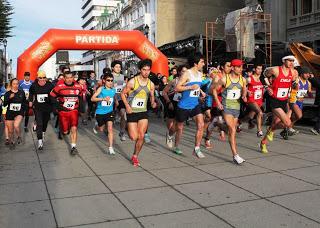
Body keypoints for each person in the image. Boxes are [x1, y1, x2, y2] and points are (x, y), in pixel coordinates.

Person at [167, 53, 206, 158]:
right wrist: (190, 88)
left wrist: (201, 92)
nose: (204, 64)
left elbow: (197, 86)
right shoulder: (187, 74)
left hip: (195, 105)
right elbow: (177, 88)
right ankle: (171, 137)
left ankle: (196, 148)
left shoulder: (200, 74)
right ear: (195, 63)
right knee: (178, 128)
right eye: (202, 62)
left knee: (201, 125)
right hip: (183, 105)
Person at [121, 59, 157, 166]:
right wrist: (127, 106)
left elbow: (152, 97)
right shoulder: (133, 81)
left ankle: (135, 156)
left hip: (143, 112)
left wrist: (153, 103)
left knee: (141, 136)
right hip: (132, 111)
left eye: (148, 70)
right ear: (140, 70)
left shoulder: (151, 84)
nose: (146, 72)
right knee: (134, 137)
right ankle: (128, 127)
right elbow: (123, 94)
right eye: (144, 70)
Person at [259, 55, 298, 153]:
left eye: (292, 61)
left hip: (284, 100)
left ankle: (263, 142)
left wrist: (294, 85)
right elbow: (262, 76)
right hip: (274, 100)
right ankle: (271, 131)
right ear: (284, 61)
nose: (291, 62)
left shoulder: (293, 72)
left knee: (275, 123)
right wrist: (267, 87)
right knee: (288, 123)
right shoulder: (275, 70)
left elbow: (293, 83)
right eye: (289, 60)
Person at [212, 59, 247, 164]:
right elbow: (214, 90)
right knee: (232, 129)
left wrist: (244, 95)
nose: (241, 69)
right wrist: (218, 102)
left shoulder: (243, 79)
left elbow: (244, 88)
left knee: (231, 130)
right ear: (233, 68)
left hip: (236, 107)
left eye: (241, 67)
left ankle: (218, 124)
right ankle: (235, 155)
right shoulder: (224, 79)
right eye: (239, 67)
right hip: (226, 107)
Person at [50, 71, 83, 155]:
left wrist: (81, 109)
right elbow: (51, 96)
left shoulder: (78, 87)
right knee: (65, 132)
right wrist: (57, 107)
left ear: (73, 78)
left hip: (73, 111)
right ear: (64, 78)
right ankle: (63, 130)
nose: (69, 79)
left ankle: (73, 147)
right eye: (67, 78)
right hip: (63, 111)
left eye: (70, 77)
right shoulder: (59, 87)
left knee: (74, 128)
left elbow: (81, 97)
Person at [91, 73, 118, 155]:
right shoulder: (101, 89)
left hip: (109, 112)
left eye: (111, 80)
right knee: (101, 129)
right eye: (108, 80)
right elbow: (92, 98)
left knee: (110, 129)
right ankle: (96, 126)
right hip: (100, 112)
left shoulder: (113, 89)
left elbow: (114, 96)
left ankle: (110, 147)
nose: (110, 82)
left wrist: (116, 101)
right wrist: (102, 99)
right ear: (104, 81)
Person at [163, 65, 187, 148]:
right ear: (179, 72)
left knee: (180, 127)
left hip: (182, 104)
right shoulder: (174, 81)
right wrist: (169, 102)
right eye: (183, 71)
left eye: (186, 71)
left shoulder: (188, 82)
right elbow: (164, 92)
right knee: (171, 125)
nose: (185, 73)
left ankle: (177, 146)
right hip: (172, 103)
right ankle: (170, 135)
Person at [28, 71, 54, 150]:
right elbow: (31, 94)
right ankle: (40, 141)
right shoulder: (34, 85)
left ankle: (43, 133)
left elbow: (54, 94)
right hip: (38, 107)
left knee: (45, 123)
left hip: (47, 107)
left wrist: (50, 99)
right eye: (40, 78)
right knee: (39, 123)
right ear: (37, 78)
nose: (42, 79)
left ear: (46, 78)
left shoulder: (50, 85)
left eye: (44, 78)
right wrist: (30, 102)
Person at [287, 67, 311, 136]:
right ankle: (288, 127)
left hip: (300, 102)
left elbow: (309, 93)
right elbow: (292, 89)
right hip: (293, 100)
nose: (308, 75)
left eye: (309, 74)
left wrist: (308, 95)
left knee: (295, 117)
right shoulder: (297, 80)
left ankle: (288, 128)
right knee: (299, 115)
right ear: (301, 74)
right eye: (306, 73)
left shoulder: (308, 83)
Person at [3, 79, 27, 149]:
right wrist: (9, 98)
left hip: (19, 112)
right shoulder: (7, 93)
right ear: (11, 84)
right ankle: (12, 141)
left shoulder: (21, 92)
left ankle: (19, 136)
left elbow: (25, 102)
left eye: (17, 84)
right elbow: (4, 104)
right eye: (14, 84)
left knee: (16, 125)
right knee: (10, 131)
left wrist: (24, 110)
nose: (15, 85)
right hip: (10, 112)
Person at [246, 64, 264, 137]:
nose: (260, 70)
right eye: (258, 68)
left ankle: (239, 122)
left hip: (259, 100)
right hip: (251, 100)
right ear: (254, 69)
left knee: (249, 116)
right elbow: (241, 86)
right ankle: (259, 131)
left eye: (261, 69)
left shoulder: (262, 79)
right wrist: (247, 91)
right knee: (260, 113)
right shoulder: (249, 79)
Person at [111, 60, 127, 141]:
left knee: (123, 113)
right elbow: (110, 89)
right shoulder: (110, 76)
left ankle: (122, 131)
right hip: (111, 98)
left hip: (121, 98)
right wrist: (115, 99)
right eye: (116, 67)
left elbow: (124, 87)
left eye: (119, 67)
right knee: (109, 117)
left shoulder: (122, 76)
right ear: (112, 68)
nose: (118, 68)